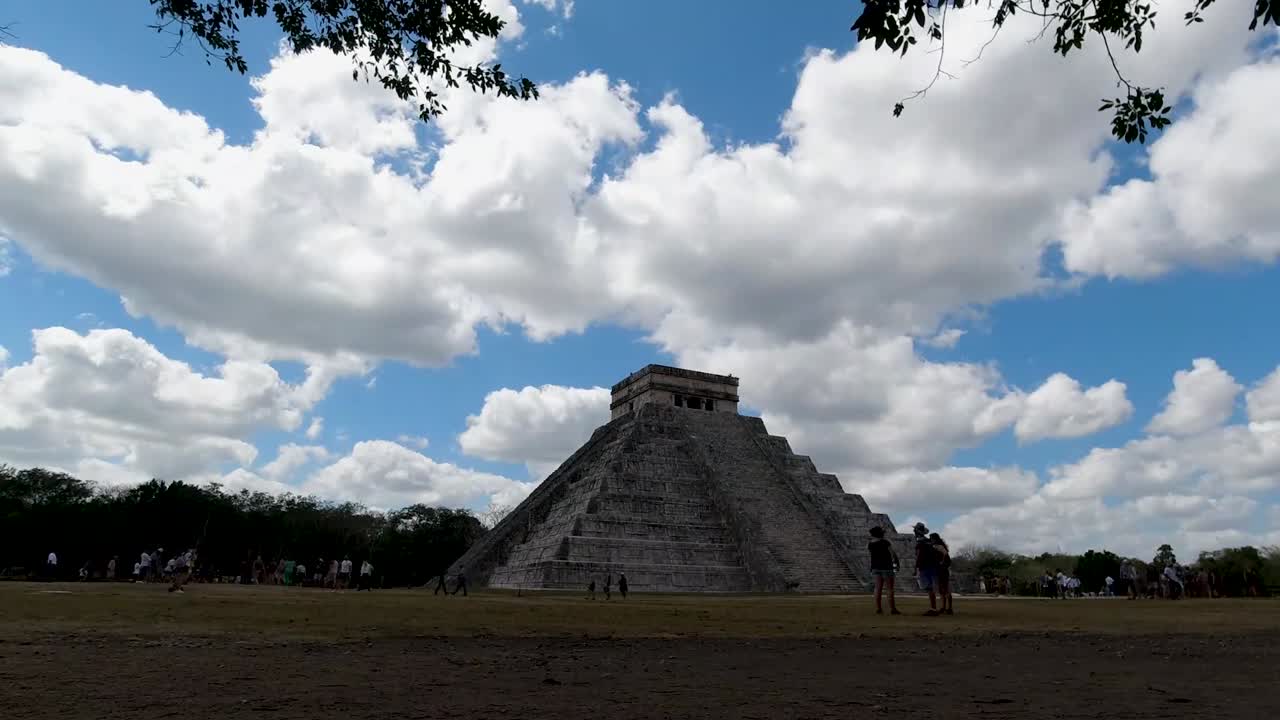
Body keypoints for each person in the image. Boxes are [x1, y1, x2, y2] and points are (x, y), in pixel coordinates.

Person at [867, 526, 901, 615]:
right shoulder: (885, 542)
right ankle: (893, 609)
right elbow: (893, 554)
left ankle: (878, 608)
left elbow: (872, 555)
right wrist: (897, 564)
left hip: (875, 567)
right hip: (887, 567)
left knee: (878, 588)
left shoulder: (870, 544)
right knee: (889, 589)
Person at [913, 523, 939, 615]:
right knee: (931, 588)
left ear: (917, 532)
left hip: (924, 567)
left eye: (915, 531)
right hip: (932, 566)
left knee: (929, 588)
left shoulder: (920, 543)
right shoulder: (929, 542)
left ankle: (933, 609)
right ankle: (933, 608)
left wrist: (915, 568)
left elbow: (918, 556)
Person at [930, 532, 954, 615]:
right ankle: (943, 607)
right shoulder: (936, 547)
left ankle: (949, 608)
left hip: (942, 570)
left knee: (945, 589)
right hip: (939, 570)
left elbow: (946, 558)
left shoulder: (939, 547)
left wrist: (942, 564)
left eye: (931, 539)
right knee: (941, 590)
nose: (931, 540)